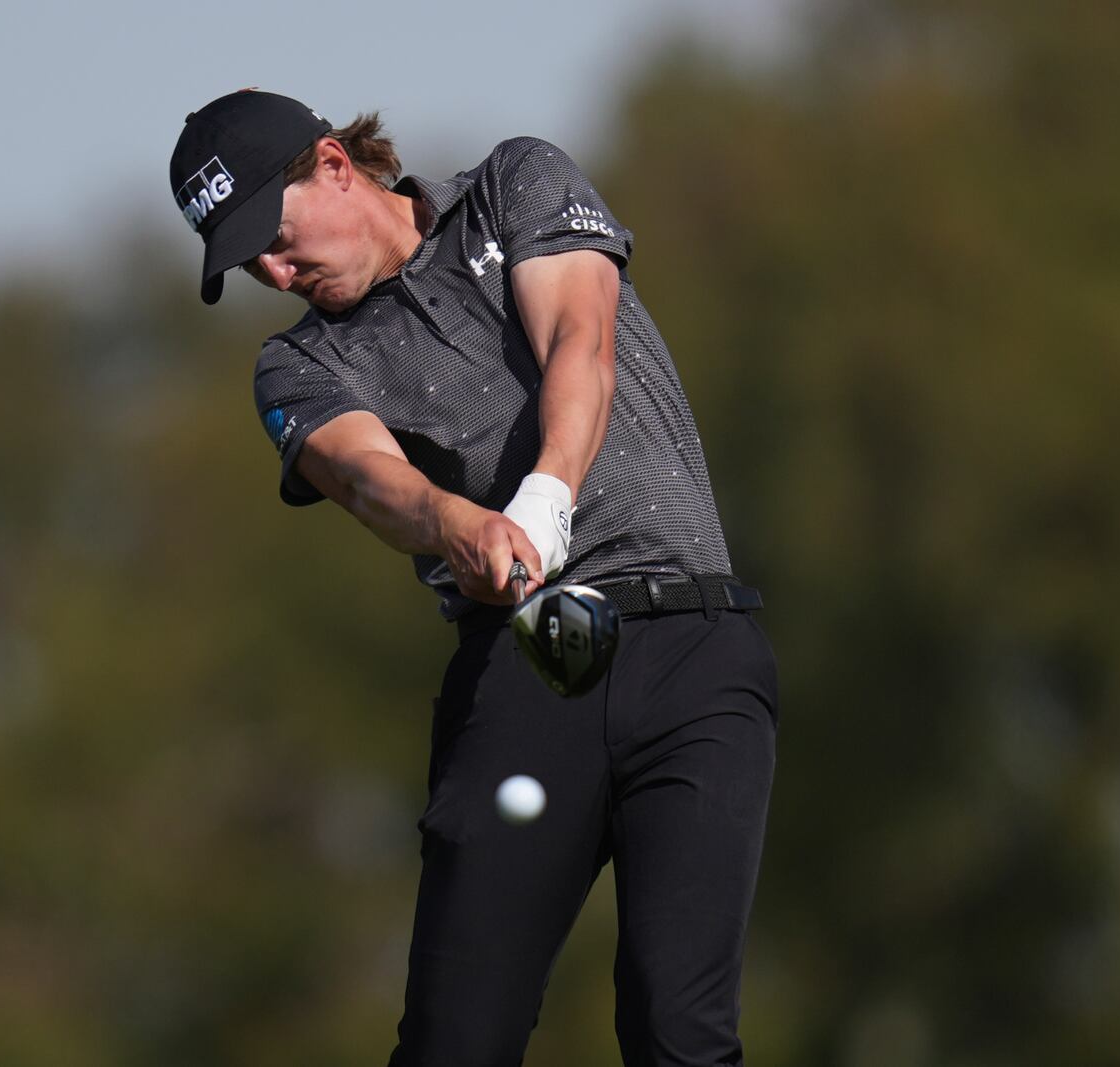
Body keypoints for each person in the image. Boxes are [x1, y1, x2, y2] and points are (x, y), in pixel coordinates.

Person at [169, 88, 780, 1067]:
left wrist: (546, 494)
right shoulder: (296, 367)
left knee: (678, 1027)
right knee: (458, 1039)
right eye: (248, 263)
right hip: (526, 676)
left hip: (694, 655)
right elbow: (371, 479)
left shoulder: (512, 185)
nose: (274, 272)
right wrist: (453, 522)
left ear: (332, 164)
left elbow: (580, 339)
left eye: (273, 237)